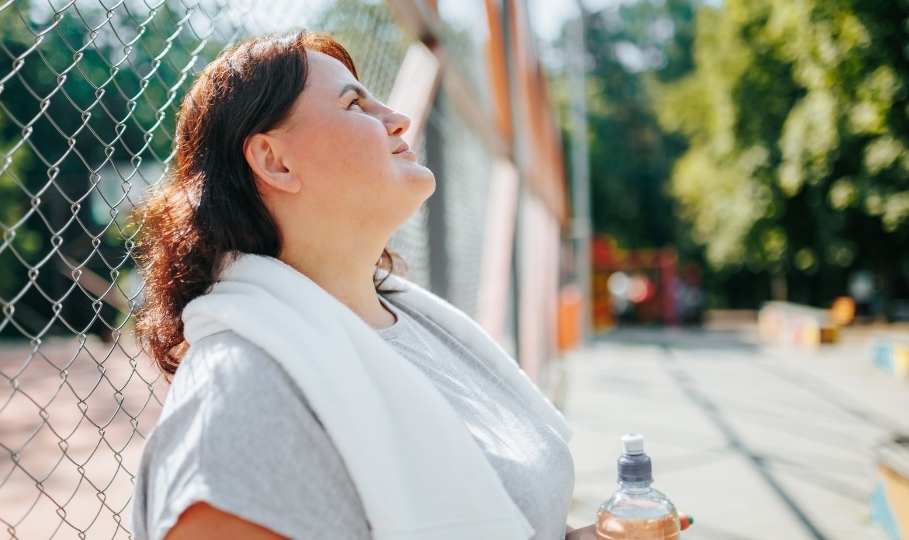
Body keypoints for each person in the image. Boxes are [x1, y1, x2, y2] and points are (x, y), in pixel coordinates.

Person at [130, 30, 688, 540]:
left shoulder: (418, 324)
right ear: (274, 160)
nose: (397, 118)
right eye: (354, 104)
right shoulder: (239, 394)